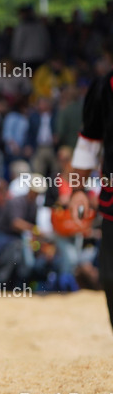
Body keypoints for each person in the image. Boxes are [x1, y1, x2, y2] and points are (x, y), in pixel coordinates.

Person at [69, 62, 113, 334]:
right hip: (111, 206)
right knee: (110, 278)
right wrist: (77, 190)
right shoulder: (104, 88)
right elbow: (89, 142)